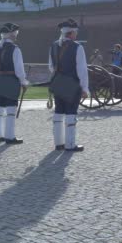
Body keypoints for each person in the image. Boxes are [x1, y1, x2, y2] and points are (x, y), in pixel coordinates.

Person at [48, 19, 89, 152]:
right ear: (71, 33)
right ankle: (70, 144)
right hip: (72, 84)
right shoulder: (77, 47)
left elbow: (51, 67)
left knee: (59, 111)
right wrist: (84, 88)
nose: (76, 35)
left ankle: (58, 144)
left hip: (58, 83)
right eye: (75, 32)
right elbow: (81, 70)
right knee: (71, 112)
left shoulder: (53, 45)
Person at [0, 22, 29, 144]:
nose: (16, 36)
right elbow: (19, 69)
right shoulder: (15, 49)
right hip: (12, 81)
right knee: (11, 110)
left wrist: (0, 77)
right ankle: (10, 137)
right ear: (11, 35)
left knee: (0, 108)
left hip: (0, 81)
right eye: (15, 34)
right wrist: (23, 82)